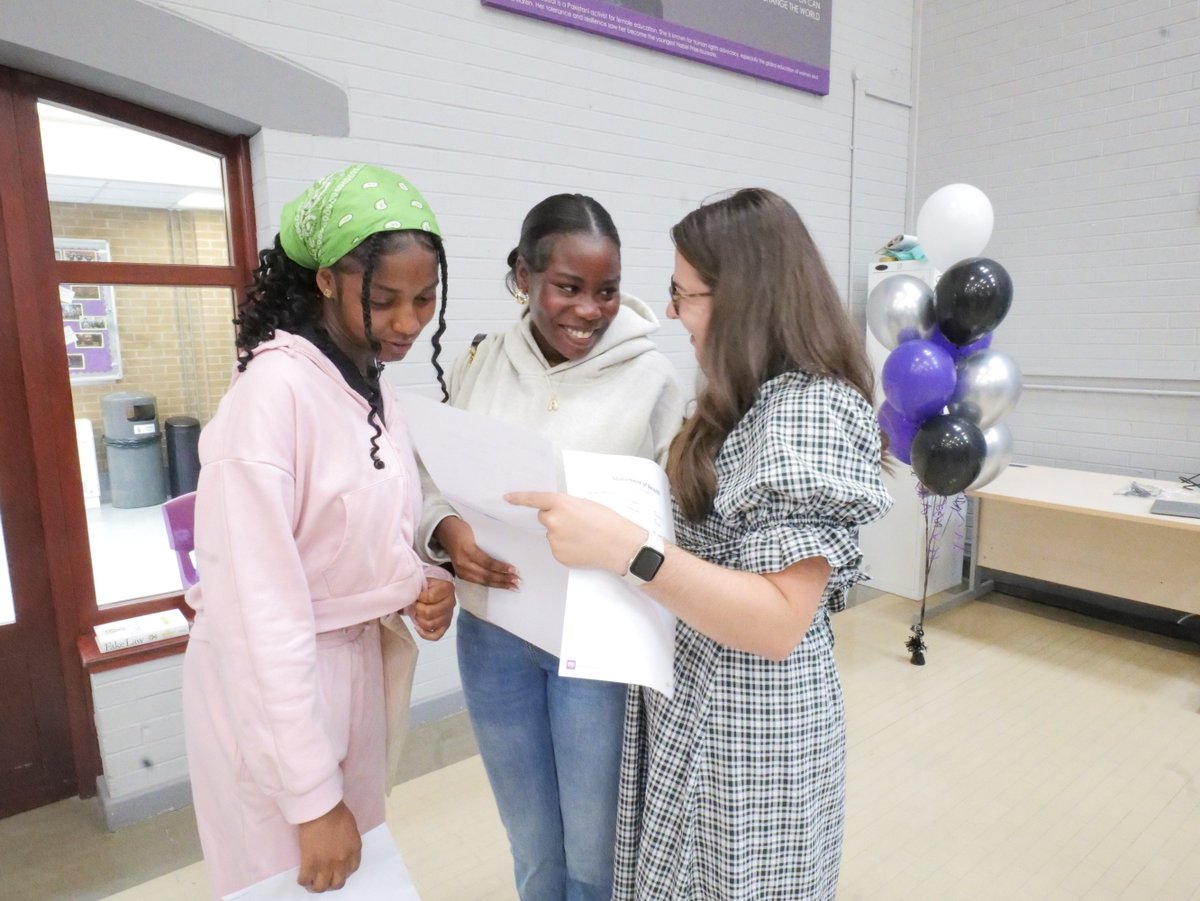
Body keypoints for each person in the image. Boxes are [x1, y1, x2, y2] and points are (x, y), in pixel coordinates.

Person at [508, 188, 893, 899]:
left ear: (745, 296)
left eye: (684, 295)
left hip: (753, 731)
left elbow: (779, 620)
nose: (675, 315)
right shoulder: (739, 399)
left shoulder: (809, 408)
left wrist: (628, 549)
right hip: (691, 704)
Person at [182, 163, 457, 898]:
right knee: (295, 874)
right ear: (328, 281)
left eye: (424, 297)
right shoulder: (273, 394)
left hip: (351, 666)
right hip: (272, 689)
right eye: (386, 299)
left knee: (354, 876)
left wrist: (415, 584)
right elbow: (258, 612)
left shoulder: (368, 381)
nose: (408, 322)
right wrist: (308, 796)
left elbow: (356, 529)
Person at [417, 193, 685, 901]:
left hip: (594, 647)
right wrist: (446, 533)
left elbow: (680, 520)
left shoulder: (654, 380)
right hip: (494, 637)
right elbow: (433, 474)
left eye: (606, 291)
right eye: (568, 287)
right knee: (533, 849)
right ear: (523, 275)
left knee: (594, 861)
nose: (589, 310)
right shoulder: (480, 358)